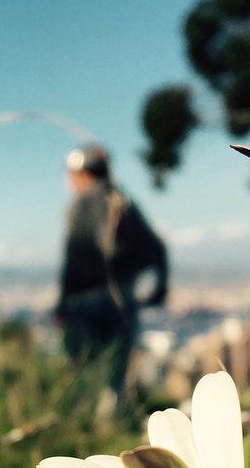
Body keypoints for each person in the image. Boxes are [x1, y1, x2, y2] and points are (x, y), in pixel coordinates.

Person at [56, 145, 168, 412]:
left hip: (85, 303)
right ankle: (112, 425)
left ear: (82, 174)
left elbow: (73, 258)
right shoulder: (122, 203)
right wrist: (158, 289)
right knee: (115, 380)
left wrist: (62, 305)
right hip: (122, 300)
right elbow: (156, 248)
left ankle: (87, 432)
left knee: (84, 374)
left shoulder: (80, 206)